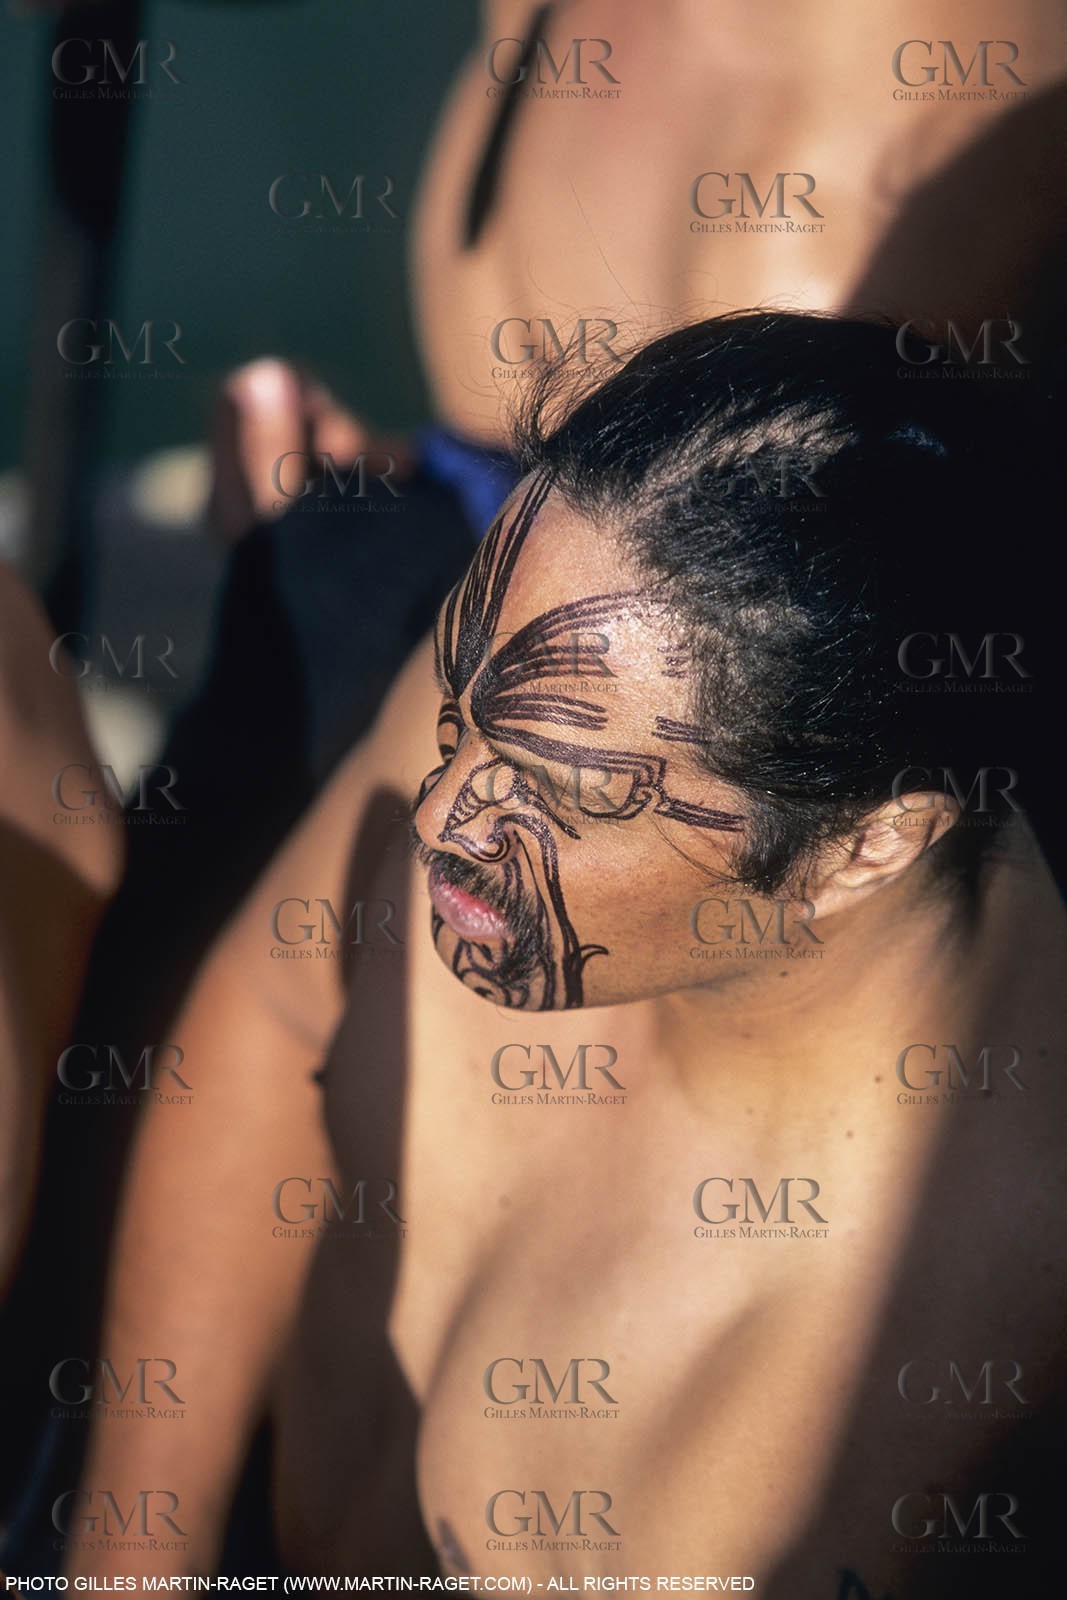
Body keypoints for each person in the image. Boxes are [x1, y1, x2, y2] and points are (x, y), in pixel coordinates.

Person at [70, 314, 1065, 1595]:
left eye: (571, 791)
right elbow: (277, 1006)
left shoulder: (891, 1416)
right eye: (453, 709)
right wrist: (126, 1553)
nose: (437, 819)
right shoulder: (543, 661)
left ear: (859, 849)